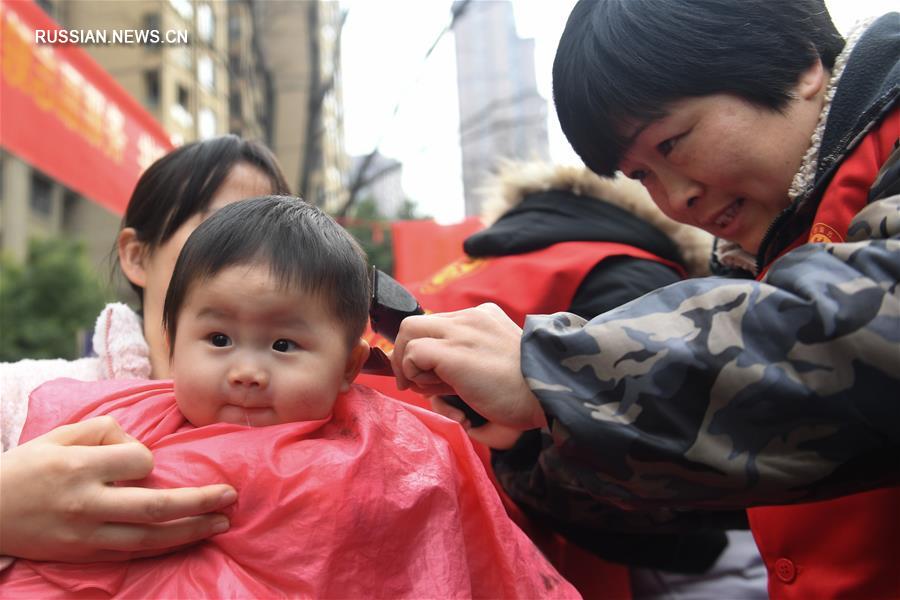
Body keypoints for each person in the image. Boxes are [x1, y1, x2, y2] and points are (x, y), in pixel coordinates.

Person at [390, 1, 900, 598]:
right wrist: (536, 436)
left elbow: (870, 326)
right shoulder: (777, 245)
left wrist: (552, 375)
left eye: (673, 142)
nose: (674, 198)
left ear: (800, 64)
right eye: (641, 176)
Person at [1, 196, 579, 599]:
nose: (248, 371)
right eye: (219, 339)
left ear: (351, 365)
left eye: (283, 344)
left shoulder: (403, 459)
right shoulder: (116, 421)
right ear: (174, 344)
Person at [367, 160, 764, 598]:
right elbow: (646, 462)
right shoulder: (636, 275)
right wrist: (705, 546)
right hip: (492, 543)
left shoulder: (475, 266)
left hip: (383, 517)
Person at [0, 135, 291, 565]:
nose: (254, 258)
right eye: (220, 229)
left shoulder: (326, 411)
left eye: (276, 239)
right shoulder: (19, 395)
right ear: (136, 256)